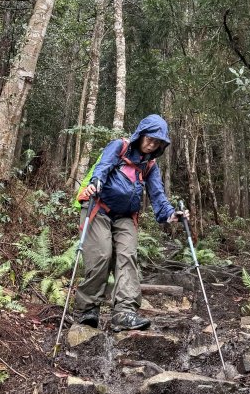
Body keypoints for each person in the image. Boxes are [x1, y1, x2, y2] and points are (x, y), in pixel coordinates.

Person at [74, 114, 176, 332]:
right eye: (150, 138)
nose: (152, 144)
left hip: (126, 216)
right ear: (141, 134)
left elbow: (158, 195)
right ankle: (88, 308)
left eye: (158, 142)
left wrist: (170, 214)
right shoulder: (119, 146)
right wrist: (95, 183)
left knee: (127, 256)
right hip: (98, 207)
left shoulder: (150, 166)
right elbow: (103, 166)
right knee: (101, 254)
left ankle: (124, 312)